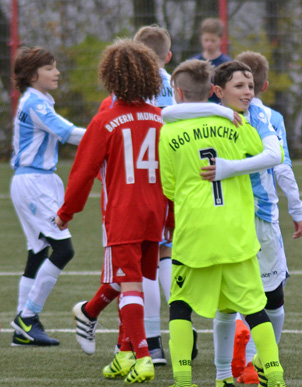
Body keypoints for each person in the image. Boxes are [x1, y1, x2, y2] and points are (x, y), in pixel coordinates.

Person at [159, 59, 286, 387]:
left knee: (180, 306)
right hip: (236, 233)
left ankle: (184, 379)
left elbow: (169, 188)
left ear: (178, 91)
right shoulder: (236, 124)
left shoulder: (169, 130)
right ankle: (275, 374)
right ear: (214, 91)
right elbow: (264, 155)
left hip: (194, 233)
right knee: (256, 309)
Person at [56, 39, 169, 384]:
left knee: (128, 284)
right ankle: (123, 353)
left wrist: (66, 213)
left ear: (110, 77)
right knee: (133, 282)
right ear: (151, 76)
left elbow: (82, 174)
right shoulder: (160, 118)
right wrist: (173, 217)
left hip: (124, 214)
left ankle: (143, 356)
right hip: (157, 213)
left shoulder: (105, 121)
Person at [227, 50, 302, 384]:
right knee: (272, 293)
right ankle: (259, 359)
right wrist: (298, 209)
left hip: (226, 215)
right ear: (266, 84)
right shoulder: (268, 117)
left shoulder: (216, 115)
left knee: (234, 294)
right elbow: (282, 166)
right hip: (262, 213)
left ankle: (230, 361)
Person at [9, 46, 86, 347]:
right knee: (63, 250)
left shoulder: (38, 101)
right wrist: (113, 132)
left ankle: (22, 328)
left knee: (39, 252)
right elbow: (67, 133)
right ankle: (27, 318)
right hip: (34, 183)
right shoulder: (36, 104)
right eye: (50, 68)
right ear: (32, 74)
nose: (57, 73)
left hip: (38, 181)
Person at [189, 17, 232, 103]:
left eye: (213, 41)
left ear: (221, 40)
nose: (209, 44)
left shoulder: (227, 64)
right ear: (201, 39)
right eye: (206, 40)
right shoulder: (193, 62)